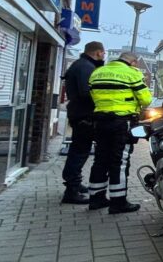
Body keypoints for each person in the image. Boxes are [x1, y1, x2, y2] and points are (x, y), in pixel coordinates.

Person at [87, 51, 152, 213]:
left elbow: (91, 95)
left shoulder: (97, 73)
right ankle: (118, 202)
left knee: (100, 159)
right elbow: (146, 99)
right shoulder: (131, 74)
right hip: (122, 122)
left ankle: (96, 198)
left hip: (100, 121)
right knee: (120, 161)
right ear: (133, 62)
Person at [61, 41, 106, 204]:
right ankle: (71, 191)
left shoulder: (81, 65)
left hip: (78, 113)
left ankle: (75, 183)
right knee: (79, 152)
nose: (103, 56)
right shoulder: (86, 67)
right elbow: (87, 92)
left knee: (79, 150)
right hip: (83, 116)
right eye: (103, 53)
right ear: (98, 52)